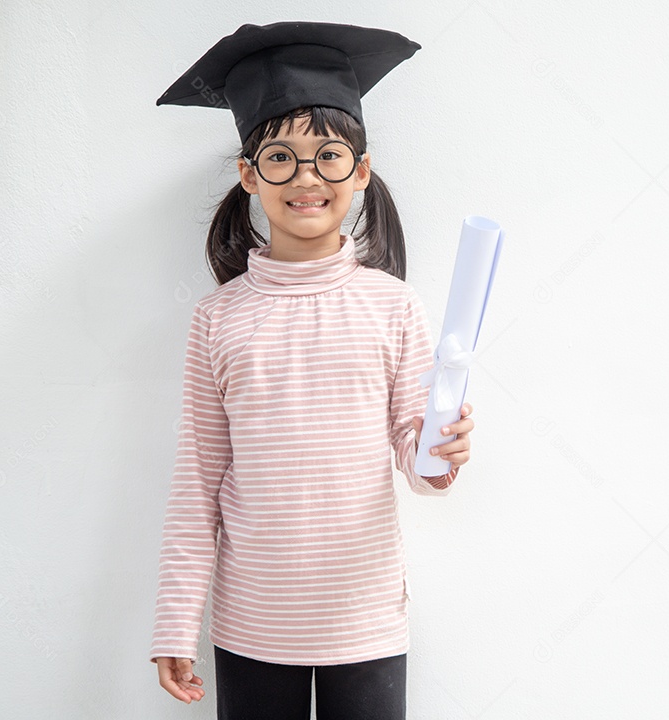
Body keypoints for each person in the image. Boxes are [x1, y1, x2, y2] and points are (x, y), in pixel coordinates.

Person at [147, 22, 476, 719]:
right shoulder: (217, 319)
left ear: (360, 171)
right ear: (249, 174)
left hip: (365, 617)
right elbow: (198, 481)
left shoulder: (395, 307)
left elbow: (415, 460)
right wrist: (176, 622)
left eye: (329, 157)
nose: (306, 178)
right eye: (280, 158)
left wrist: (439, 451)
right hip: (253, 622)